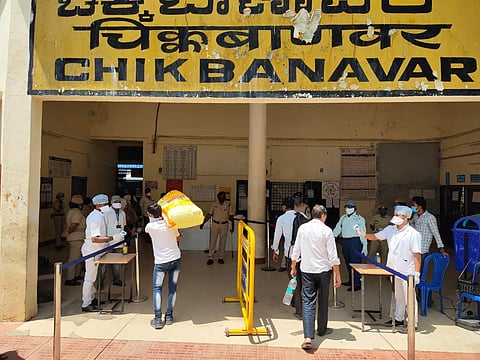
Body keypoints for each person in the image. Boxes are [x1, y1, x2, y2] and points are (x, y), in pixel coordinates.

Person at [358, 206, 421, 331]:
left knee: (409, 297)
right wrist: (363, 235)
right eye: (395, 214)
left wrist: (416, 273)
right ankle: (398, 319)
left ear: (406, 217)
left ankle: (412, 323)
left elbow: (417, 255)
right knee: (398, 295)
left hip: (407, 270)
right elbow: (376, 237)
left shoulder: (413, 234)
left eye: (399, 215)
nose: (396, 217)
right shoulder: (391, 229)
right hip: (393, 268)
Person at [290, 205, 341, 350]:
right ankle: (322, 329)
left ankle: (307, 336)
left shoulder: (303, 228)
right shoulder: (327, 231)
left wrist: (293, 266)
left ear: (312, 215)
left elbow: (296, 249)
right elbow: (333, 255)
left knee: (307, 301)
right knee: (323, 299)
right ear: (323, 216)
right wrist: (337, 273)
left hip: (306, 270)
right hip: (324, 271)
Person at [81, 194, 124, 312]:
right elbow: (95, 238)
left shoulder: (100, 215)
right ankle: (86, 303)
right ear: (98, 205)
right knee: (89, 278)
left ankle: (92, 297)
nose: (107, 206)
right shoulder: (96, 218)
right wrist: (113, 238)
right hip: (92, 250)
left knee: (92, 277)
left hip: (98, 250)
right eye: (105, 204)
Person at [145, 203, 182, 329]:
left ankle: (157, 319)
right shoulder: (171, 224)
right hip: (175, 259)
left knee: (157, 288)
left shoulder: (150, 227)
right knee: (173, 288)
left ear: (150, 214)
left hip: (161, 262)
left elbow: (151, 228)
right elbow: (178, 237)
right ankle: (169, 316)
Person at [271, 198, 303, 319]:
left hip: (290, 254)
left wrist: (276, 250)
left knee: (294, 280)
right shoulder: (302, 216)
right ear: (294, 206)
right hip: (303, 253)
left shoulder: (282, 219)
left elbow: (277, 236)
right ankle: (296, 302)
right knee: (301, 279)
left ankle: (299, 310)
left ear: (284, 207)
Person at [332, 199, 366, 291]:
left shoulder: (359, 219)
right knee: (347, 262)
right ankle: (351, 280)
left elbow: (362, 232)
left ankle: (357, 283)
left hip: (355, 241)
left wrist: (365, 245)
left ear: (355, 208)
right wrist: (331, 237)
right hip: (345, 241)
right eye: (347, 207)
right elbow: (338, 228)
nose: (348, 208)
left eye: (351, 207)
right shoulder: (343, 217)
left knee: (355, 262)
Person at [411, 196, 448, 269]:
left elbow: (436, 233)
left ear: (419, 206)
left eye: (414, 205)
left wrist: (441, 249)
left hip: (423, 249)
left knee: (419, 271)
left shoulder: (430, 218)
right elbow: (411, 224)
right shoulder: (415, 216)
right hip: (414, 247)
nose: (412, 207)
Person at [200, 191, 234, 265]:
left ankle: (220, 257)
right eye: (221, 196)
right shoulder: (214, 204)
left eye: (223, 196)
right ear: (218, 197)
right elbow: (209, 214)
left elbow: (231, 216)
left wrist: (232, 226)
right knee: (212, 241)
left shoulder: (228, 205)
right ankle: (210, 257)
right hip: (215, 224)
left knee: (223, 241)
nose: (222, 198)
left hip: (224, 225)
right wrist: (203, 223)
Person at [100, 195, 127, 288]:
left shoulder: (122, 213)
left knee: (117, 263)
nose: (117, 203)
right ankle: (101, 282)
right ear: (111, 202)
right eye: (115, 202)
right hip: (108, 241)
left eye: (119, 202)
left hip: (119, 241)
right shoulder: (106, 212)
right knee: (103, 264)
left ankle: (116, 279)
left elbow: (123, 226)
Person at [62, 195, 86, 286]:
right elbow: (74, 225)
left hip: (76, 237)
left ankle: (76, 275)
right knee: (73, 258)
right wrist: (67, 232)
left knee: (78, 258)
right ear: (80, 205)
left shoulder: (71, 211)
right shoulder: (77, 213)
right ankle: (70, 278)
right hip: (76, 237)